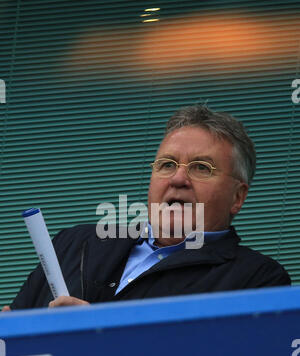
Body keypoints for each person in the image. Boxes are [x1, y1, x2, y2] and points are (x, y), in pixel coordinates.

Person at [2, 105, 291, 311]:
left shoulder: (257, 281)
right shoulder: (73, 244)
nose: (178, 178)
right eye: (167, 165)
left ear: (237, 197)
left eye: (201, 168)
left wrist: (94, 336)